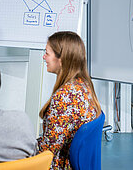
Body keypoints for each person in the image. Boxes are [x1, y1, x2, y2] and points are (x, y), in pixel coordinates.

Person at [38, 31, 101, 170]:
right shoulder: (83, 85)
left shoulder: (65, 97)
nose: (44, 57)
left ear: (61, 60)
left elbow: (47, 152)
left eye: (47, 53)